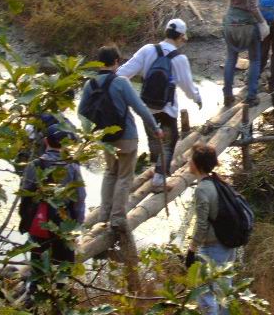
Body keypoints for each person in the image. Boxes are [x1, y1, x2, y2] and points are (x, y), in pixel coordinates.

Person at [79, 45, 163, 229]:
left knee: (110, 173)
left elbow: (81, 112)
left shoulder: (90, 84)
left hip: (105, 138)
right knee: (124, 177)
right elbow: (140, 108)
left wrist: (93, 131)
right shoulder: (121, 82)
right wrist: (155, 128)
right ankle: (117, 218)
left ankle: (103, 215)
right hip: (127, 136)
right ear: (116, 61)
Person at [117, 20, 201, 192]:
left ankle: (155, 168)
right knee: (170, 142)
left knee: (154, 139)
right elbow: (188, 86)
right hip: (167, 108)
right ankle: (158, 180)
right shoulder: (180, 59)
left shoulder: (147, 50)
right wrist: (197, 98)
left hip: (147, 106)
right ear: (181, 37)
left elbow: (123, 73)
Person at [18, 123, 86, 303]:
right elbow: (79, 198)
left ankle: (32, 301)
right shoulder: (72, 166)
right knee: (63, 273)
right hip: (64, 225)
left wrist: (25, 221)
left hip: (39, 225)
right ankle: (59, 303)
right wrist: (77, 225)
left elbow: (25, 195)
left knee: (37, 270)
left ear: (46, 141)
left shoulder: (34, 165)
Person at [186, 143, 236, 315]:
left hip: (213, 248)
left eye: (190, 159)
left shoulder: (202, 189)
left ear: (197, 164)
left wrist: (191, 250)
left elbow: (201, 225)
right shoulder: (219, 182)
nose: (188, 162)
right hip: (228, 245)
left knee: (205, 295)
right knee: (224, 293)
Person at [223, 0, 269, 108]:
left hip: (230, 19)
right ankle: (251, 96)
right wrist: (262, 22)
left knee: (231, 58)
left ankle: (228, 95)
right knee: (255, 59)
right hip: (247, 23)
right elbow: (251, 6)